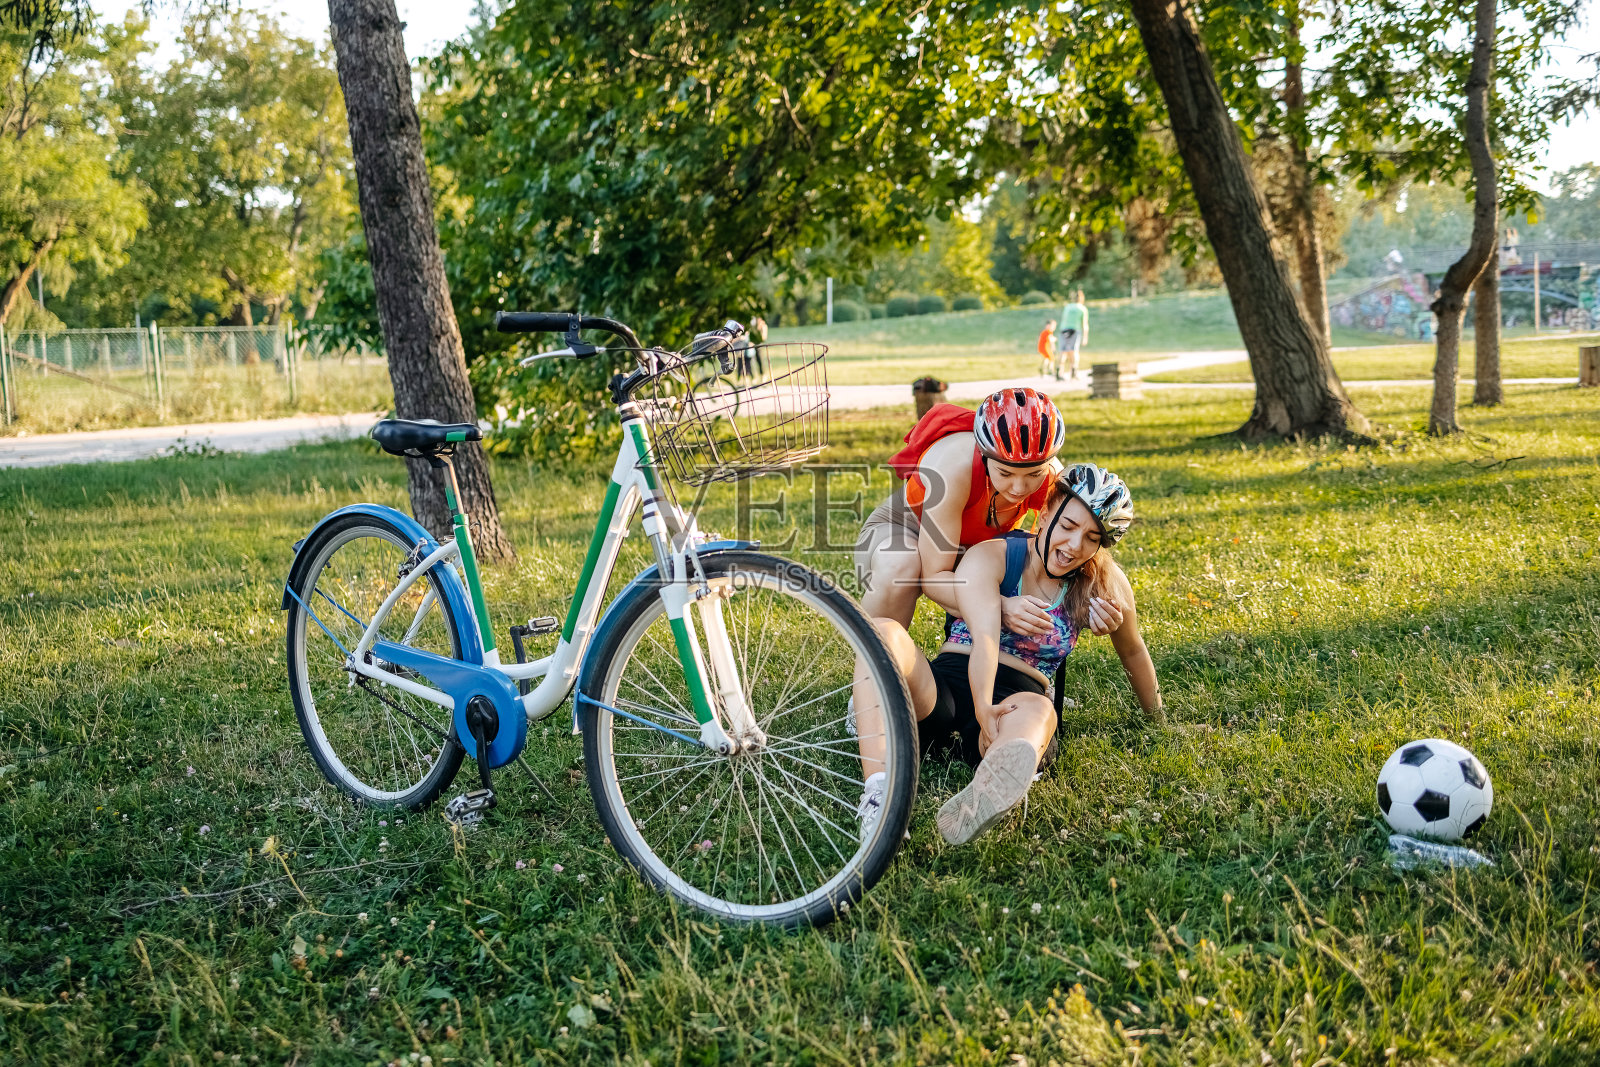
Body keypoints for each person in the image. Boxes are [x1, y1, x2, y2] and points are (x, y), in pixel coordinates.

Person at [854, 464, 1162, 844]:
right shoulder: (995, 555)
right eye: (1067, 526)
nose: (1073, 546)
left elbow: (1132, 651)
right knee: (883, 633)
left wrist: (1158, 718)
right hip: (946, 690)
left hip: (1018, 701)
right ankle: (880, 798)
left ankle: (993, 784)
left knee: (1040, 712)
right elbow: (985, 635)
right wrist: (983, 707)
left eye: (1091, 538)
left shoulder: (1104, 585)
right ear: (1045, 512)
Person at [855, 389, 1066, 630]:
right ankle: (873, 660)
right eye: (1005, 473)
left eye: (1033, 474)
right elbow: (933, 578)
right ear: (985, 457)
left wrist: (1095, 601)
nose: (1019, 488)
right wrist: (1001, 606)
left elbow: (1079, 546)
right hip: (902, 531)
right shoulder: (955, 468)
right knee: (902, 564)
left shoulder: (1054, 479)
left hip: (975, 551)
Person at [1059, 289, 1089, 379]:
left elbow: (1064, 319)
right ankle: (1074, 371)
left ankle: (1059, 372)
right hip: (1074, 330)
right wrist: (1085, 337)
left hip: (1063, 329)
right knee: (1074, 351)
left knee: (1063, 351)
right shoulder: (1082, 308)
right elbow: (1085, 324)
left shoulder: (1068, 306)